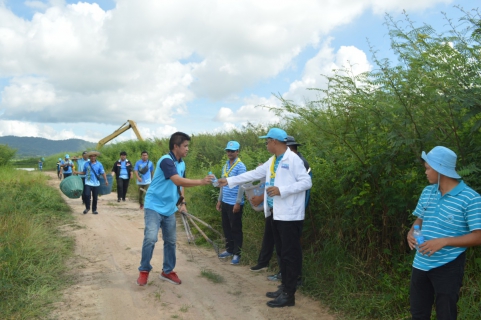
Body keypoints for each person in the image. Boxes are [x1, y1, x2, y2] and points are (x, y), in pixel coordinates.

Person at [217, 128, 312, 308]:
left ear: (274, 141)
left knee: (289, 254)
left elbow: (306, 182)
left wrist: (281, 190)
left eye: (267, 141)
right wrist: (228, 181)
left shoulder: (293, 159)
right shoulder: (273, 160)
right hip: (276, 212)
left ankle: (289, 295)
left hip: (290, 215)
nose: (266, 145)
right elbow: (254, 174)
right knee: (281, 253)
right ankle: (284, 287)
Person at [407, 146, 481, 320]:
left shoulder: (470, 198)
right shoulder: (428, 192)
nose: (425, 172)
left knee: (446, 314)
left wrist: (444, 241)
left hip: (448, 266)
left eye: (428, 168)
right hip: (420, 264)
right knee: (418, 313)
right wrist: (411, 232)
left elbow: (478, 236)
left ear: (440, 169)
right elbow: (420, 219)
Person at [137, 132, 213, 287]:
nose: (187, 149)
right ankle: (144, 271)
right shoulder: (166, 161)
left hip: (170, 207)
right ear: (175, 146)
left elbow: (180, 185)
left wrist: (182, 203)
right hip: (154, 205)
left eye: (187, 146)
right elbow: (176, 179)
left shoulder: (182, 163)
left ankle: (167, 271)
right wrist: (201, 181)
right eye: (185, 146)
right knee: (151, 238)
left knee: (171, 241)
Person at [250, 136, 311, 286]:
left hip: (290, 213)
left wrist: (298, 209)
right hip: (276, 210)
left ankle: (292, 281)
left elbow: (304, 185)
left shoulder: (297, 162)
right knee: (281, 247)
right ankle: (285, 279)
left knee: (290, 249)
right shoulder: (276, 161)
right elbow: (272, 184)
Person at [216, 141, 247, 265]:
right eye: (228, 151)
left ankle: (237, 253)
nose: (230, 153)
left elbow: (242, 185)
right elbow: (222, 185)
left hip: (235, 202)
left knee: (236, 229)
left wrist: (238, 202)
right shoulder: (225, 166)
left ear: (237, 152)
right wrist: (219, 200)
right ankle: (229, 249)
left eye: (232, 151)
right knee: (227, 227)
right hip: (225, 201)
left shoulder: (241, 166)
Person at [74, 151, 108, 215]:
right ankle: (87, 208)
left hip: (96, 183)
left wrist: (106, 180)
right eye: (91, 156)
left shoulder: (99, 164)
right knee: (86, 195)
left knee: (95, 197)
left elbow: (103, 173)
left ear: (96, 157)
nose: (93, 157)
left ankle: (94, 209)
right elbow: (84, 172)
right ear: (89, 157)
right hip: (88, 182)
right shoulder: (86, 164)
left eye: (94, 156)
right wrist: (77, 172)